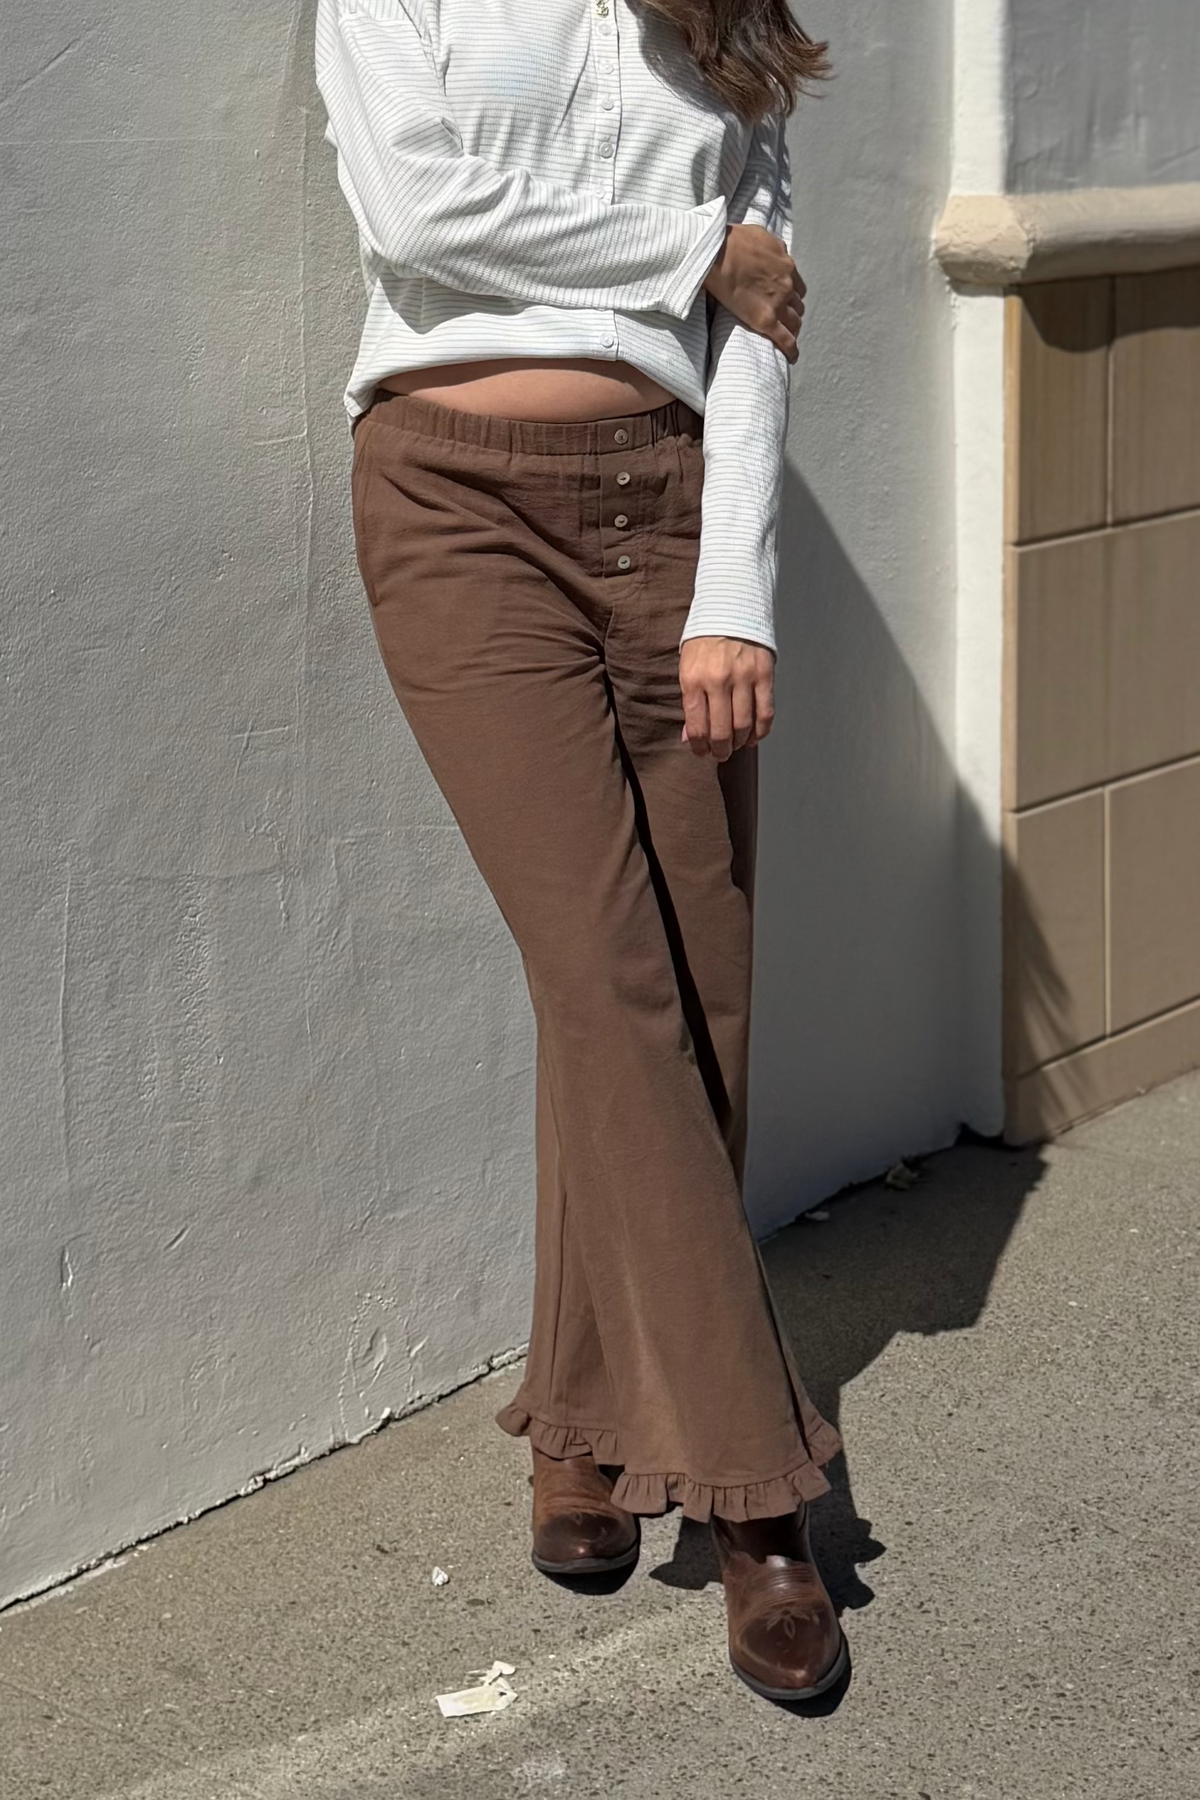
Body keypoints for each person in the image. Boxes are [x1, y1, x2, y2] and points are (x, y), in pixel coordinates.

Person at [315, 0, 847, 1702]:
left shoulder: (726, 13)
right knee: (608, 977)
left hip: (672, 505)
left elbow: (767, 314)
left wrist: (737, 591)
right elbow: (417, 208)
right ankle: (762, 1497)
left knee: (700, 988)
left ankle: (593, 1430)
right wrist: (696, 242)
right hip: (458, 504)